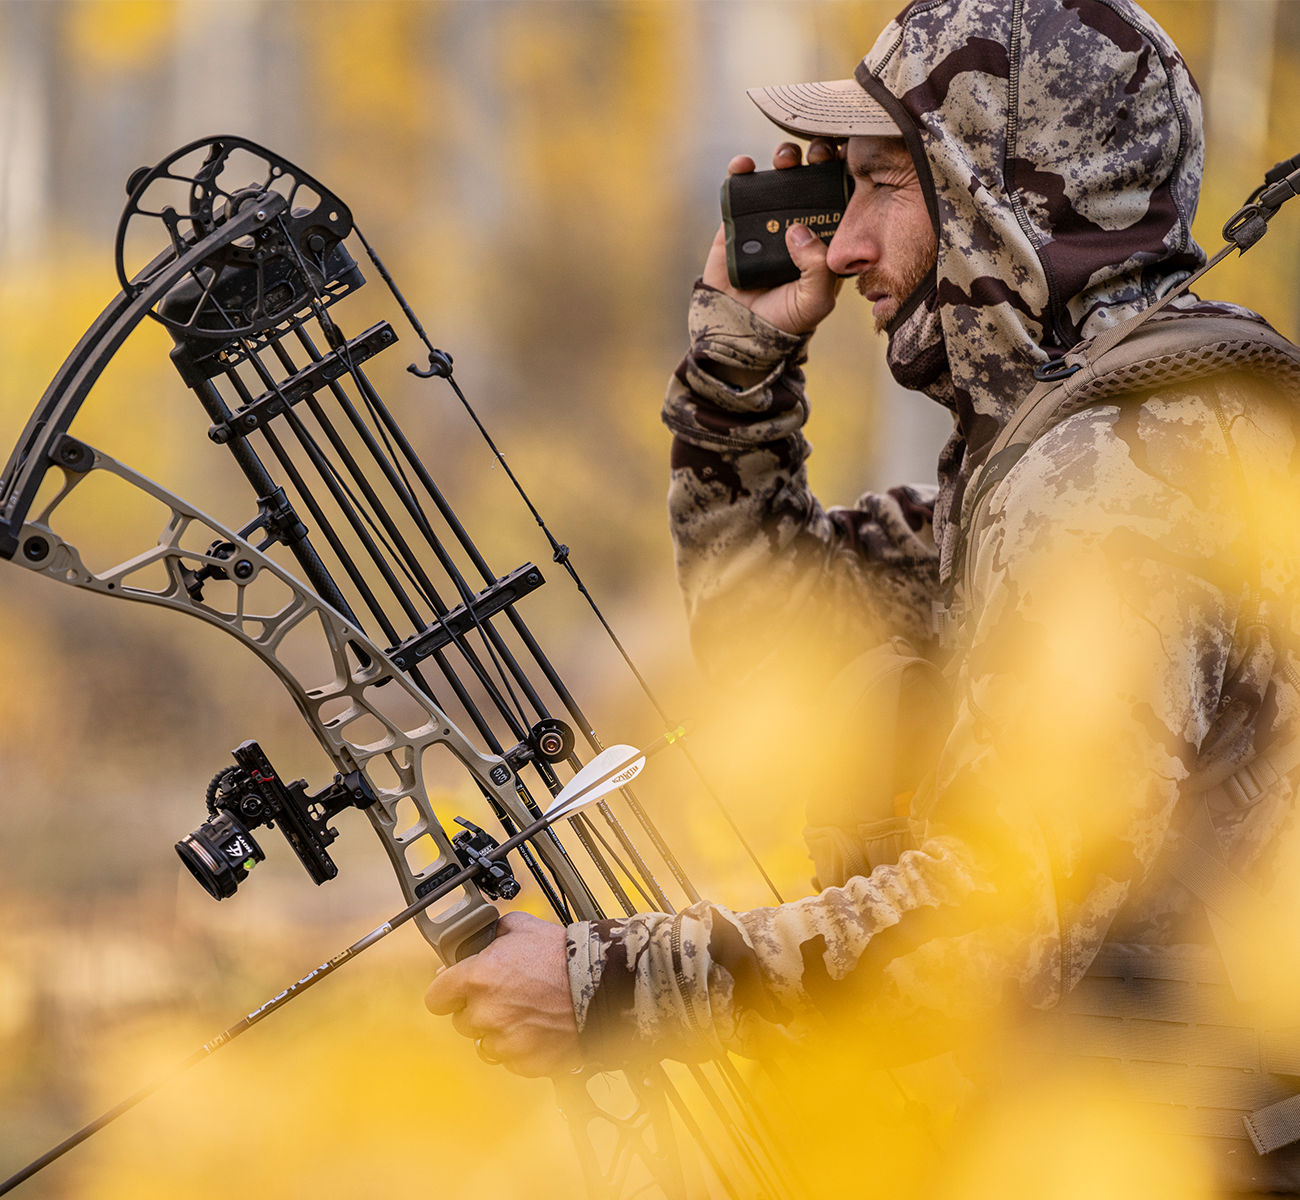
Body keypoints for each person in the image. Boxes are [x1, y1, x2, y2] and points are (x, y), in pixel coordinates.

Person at [424, 0, 1300, 1191]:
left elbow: (991, 930)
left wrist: (607, 984)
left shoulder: (1112, 478)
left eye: (884, 184)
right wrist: (739, 370)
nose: (838, 247)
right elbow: (785, 649)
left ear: (998, 195)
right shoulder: (1088, 437)